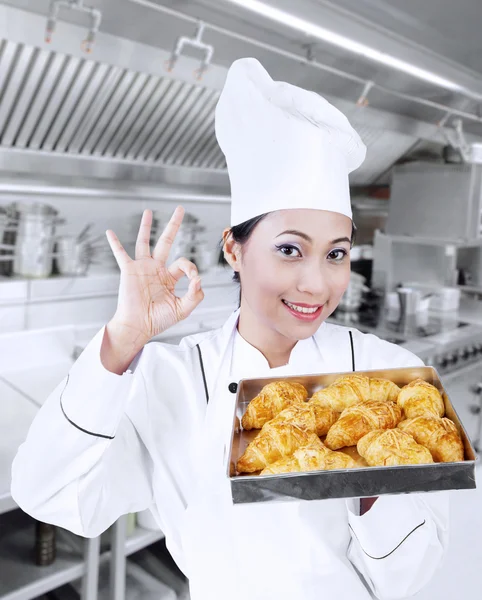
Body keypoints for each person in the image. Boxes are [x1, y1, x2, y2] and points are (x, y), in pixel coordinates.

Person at [11, 58, 448, 600]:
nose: (316, 284)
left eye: (336, 254)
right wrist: (123, 340)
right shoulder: (173, 379)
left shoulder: (388, 377)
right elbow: (48, 494)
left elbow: (418, 572)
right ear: (233, 249)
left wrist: (367, 475)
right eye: (289, 249)